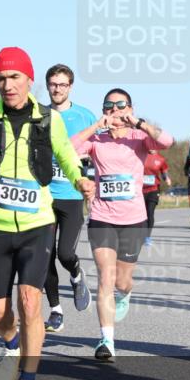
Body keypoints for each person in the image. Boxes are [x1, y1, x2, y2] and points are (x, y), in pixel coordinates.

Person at [0, 47, 93, 380]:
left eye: (14, 77)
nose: (7, 84)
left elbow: (66, 155)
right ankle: (11, 344)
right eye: (1, 77)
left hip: (37, 223)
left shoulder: (48, 120)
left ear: (29, 80)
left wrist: (80, 181)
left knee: (30, 301)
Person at [70, 89, 173, 359]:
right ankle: (107, 341)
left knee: (122, 281)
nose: (115, 110)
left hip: (133, 220)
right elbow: (67, 148)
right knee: (105, 277)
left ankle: (126, 294)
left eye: (120, 105)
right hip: (102, 217)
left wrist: (137, 122)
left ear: (130, 107)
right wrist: (95, 125)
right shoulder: (97, 139)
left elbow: (167, 141)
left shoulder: (140, 138)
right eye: (109, 106)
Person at [42, 64, 96, 334]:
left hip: (72, 197)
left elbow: (99, 152)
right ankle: (55, 310)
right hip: (43, 197)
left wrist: (93, 183)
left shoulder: (85, 116)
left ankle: (76, 274)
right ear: (47, 85)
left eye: (62, 84)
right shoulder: (38, 115)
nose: (57, 89)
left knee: (64, 253)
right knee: (44, 255)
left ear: (70, 86)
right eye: (53, 84)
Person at [142, 149, 171, 246]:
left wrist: (166, 178)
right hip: (139, 190)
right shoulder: (140, 155)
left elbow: (164, 172)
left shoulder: (160, 159)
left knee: (150, 212)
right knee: (141, 214)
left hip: (153, 189)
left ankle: (147, 237)